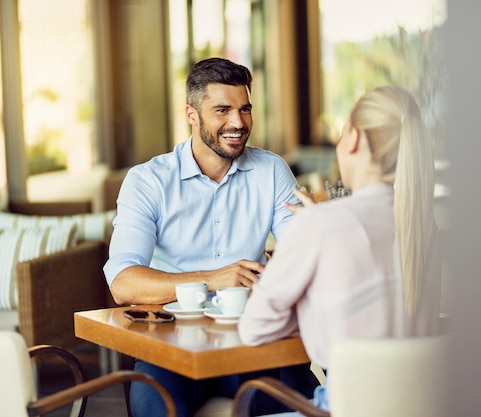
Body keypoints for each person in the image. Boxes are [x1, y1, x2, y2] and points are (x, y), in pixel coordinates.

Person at [103, 57, 318, 417]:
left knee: (316, 406)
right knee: (156, 410)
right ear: (191, 114)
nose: (238, 122)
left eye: (245, 109)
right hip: (170, 348)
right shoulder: (148, 181)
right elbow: (123, 283)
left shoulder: (271, 170)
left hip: (254, 341)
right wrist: (212, 279)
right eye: (222, 110)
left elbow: (303, 253)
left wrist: (317, 234)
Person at [238, 85, 442, 414]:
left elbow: (254, 329)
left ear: (354, 138)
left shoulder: (318, 226)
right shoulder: (422, 225)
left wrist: (314, 233)